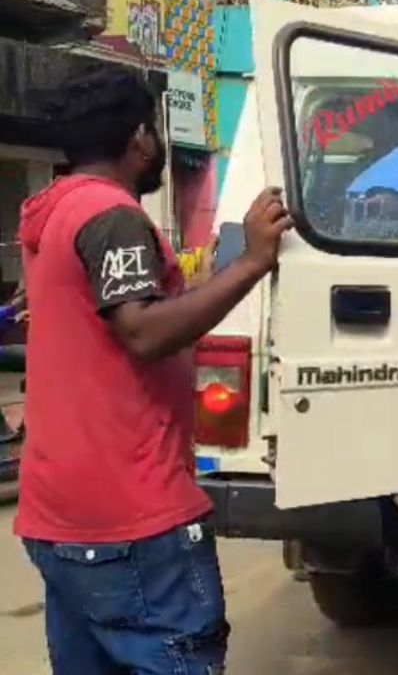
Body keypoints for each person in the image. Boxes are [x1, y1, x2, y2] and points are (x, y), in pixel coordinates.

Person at [15, 68, 293, 673]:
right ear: (141, 138)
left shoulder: (55, 211)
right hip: (131, 517)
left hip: (60, 513)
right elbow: (141, 330)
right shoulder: (111, 216)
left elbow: (125, 314)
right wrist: (250, 264)